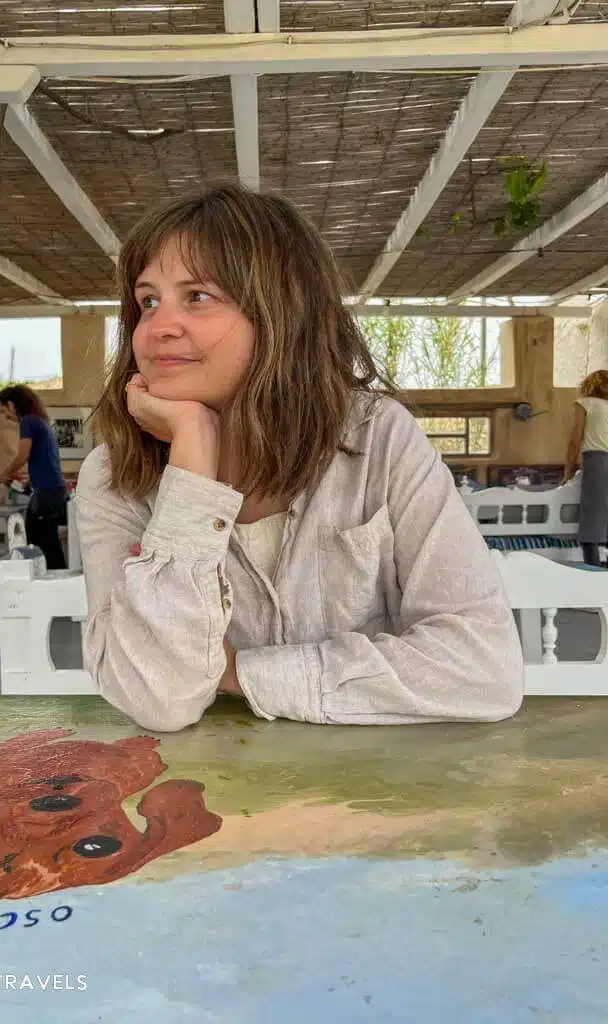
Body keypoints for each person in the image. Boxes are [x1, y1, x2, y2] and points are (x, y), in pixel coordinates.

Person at [75, 184, 524, 733]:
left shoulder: (377, 440)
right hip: (201, 796)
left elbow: (483, 667)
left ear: (282, 313)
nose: (159, 327)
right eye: (148, 301)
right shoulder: (115, 475)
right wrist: (192, 453)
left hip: (378, 791)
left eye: (197, 296)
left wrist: (243, 674)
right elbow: (160, 698)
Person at [0, 384, 68, 570]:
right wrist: (29, 479)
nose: (6, 415)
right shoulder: (40, 422)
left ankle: (50, 583)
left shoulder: (27, 421)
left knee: (39, 544)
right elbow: (42, 460)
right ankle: (57, 580)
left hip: (47, 494)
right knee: (48, 542)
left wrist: (5, 472)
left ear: (12, 404)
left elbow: (22, 456)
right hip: (53, 491)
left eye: (5, 409)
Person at [563, 368, 608, 567]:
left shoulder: (586, 403)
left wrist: (568, 471)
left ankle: (594, 574)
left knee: (592, 517)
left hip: (597, 460)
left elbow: (575, 440)